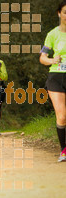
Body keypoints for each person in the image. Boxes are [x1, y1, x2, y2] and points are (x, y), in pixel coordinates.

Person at [40, 0, 66, 162]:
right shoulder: (52, 34)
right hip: (56, 76)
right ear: (59, 14)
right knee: (62, 116)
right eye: (65, 12)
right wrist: (52, 60)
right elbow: (42, 58)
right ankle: (64, 150)